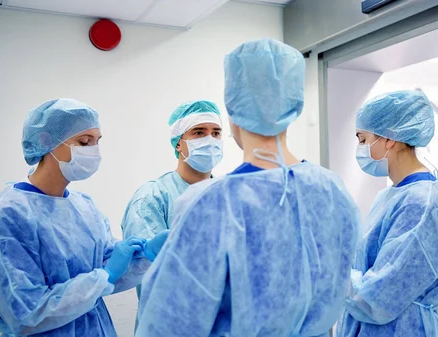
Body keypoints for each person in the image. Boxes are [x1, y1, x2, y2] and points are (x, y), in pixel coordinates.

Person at [136, 39, 361, 337]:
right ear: (294, 105)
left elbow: (170, 325)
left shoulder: (211, 204)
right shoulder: (332, 190)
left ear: (233, 113)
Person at [0, 99, 168, 337]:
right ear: (47, 141)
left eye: (97, 142)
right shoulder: (10, 215)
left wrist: (146, 255)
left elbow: (107, 275)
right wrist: (104, 276)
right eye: (84, 142)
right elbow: (25, 313)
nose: (94, 151)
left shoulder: (84, 207)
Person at [336, 90, 438, 337]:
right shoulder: (391, 195)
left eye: (363, 139)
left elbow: (379, 296)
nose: (360, 148)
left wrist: (331, 271)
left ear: (390, 139)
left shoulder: (422, 202)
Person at [121, 100, 223, 329]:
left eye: (216, 133)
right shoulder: (153, 197)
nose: (210, 140)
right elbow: (152, 275)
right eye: (199, 132)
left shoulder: (229, 194)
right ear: (179, 143)